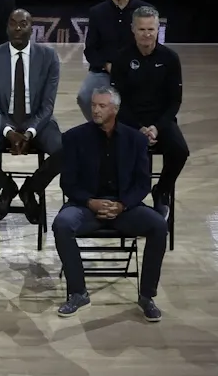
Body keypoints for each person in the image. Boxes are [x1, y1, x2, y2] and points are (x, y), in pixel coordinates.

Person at [54, 86, 168, 322]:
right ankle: (78, 292)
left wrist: (123, 205)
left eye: (101, 106)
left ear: (115, 109)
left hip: (124, 208)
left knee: (158, 226)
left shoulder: (135, 139)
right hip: (86, 207)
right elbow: (68, 183)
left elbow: (142, 183)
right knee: (62, 224)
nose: (95, 110)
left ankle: (147, 296)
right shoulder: (74, 137)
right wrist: (90, 201)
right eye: (94, 105)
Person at [0, 9, 64, 223]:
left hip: (38, 121)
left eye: (23, 24)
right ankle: (6, 188)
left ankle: (30, 189)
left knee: (66, 151)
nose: (17, 28)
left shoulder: (48, 56)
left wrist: (29, 132)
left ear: (31, 28)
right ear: (6, 27)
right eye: (13, 23)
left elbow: (47, 106)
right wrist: (8, 131)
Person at [108, 5, 186, 213]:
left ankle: (162, 190)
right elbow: (117, 101)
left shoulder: (170, 58)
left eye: (151, 29)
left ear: (158, 29)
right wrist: (139, 128)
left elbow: (175, 101)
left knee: (180, 151)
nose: (146, 34)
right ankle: (130, 200)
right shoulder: (121, 58)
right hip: (129, 120)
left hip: (161, 120)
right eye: (142, 29)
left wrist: (156, 128)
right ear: (133, 30)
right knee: (120, 152)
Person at [80, 0, 148, 116]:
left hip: (135, 69)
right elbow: (90, 49)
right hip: (104, 71)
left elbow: (152, 46)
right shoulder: (97, 12)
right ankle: (100, 129)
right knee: (84, 97)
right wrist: (106, 65)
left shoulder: (144, 11)